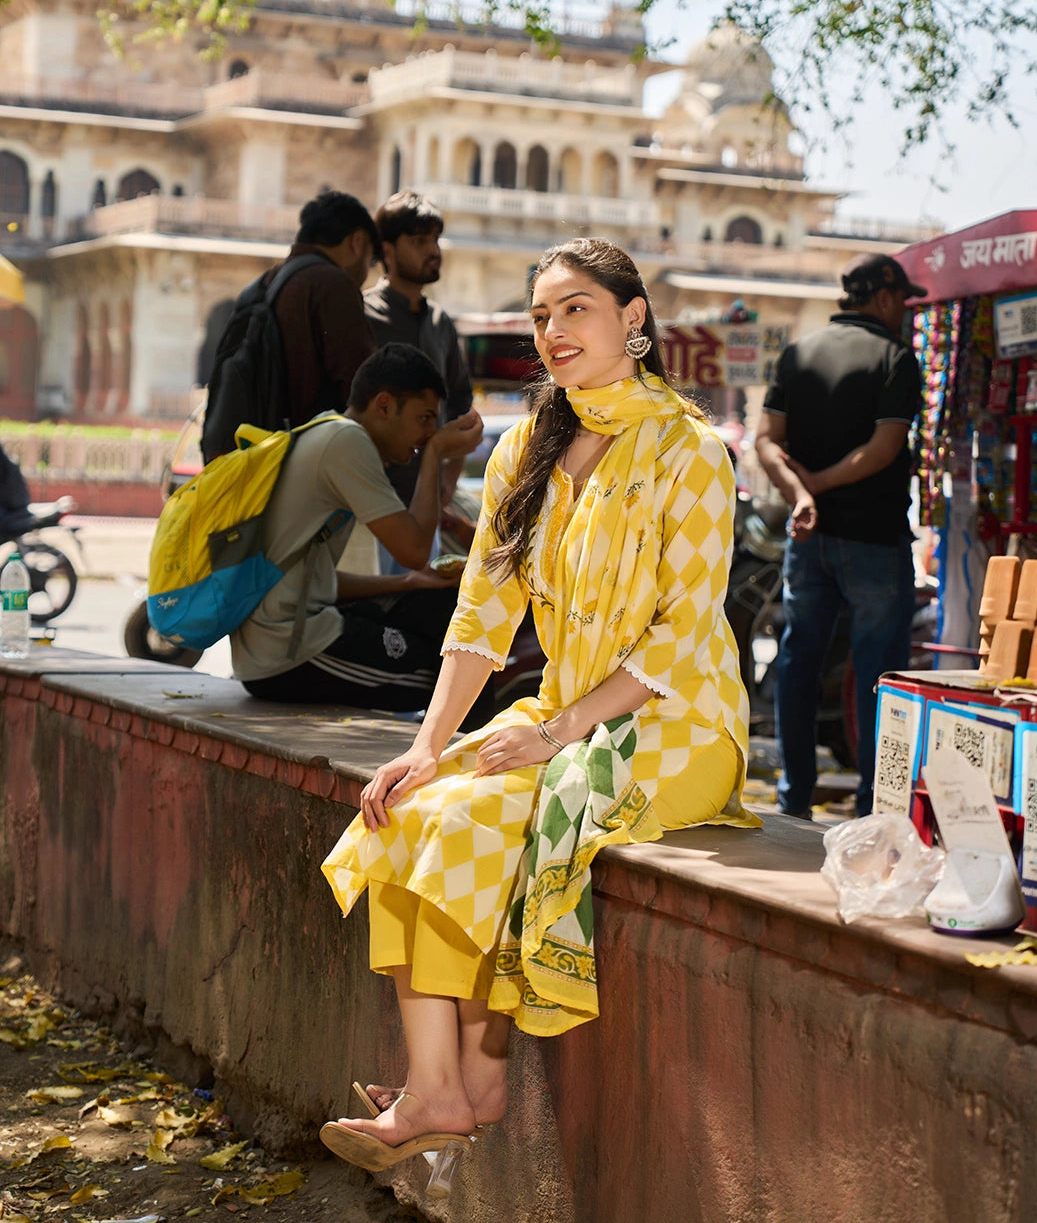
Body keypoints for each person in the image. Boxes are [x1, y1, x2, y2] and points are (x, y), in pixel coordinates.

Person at [318, 238, 759, 1188]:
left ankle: (467, 1082)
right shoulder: (527, 448)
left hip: (678, 723)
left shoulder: (692, 450)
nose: (554, 331)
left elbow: (678, 641)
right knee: (410, 810)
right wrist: (427, 745)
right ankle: (445, 1090)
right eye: (542, 316)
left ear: (633, 319)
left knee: (477, 819)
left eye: (576, 309)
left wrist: (555, 735)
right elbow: (482, 617)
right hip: (565, 709)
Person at [754, 253, 926, 819]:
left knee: (798, 661)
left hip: (809, 542)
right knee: (880, 676)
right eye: (903, 299)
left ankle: (793, 799)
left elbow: (765, 441)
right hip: (874, 541)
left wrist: (802, 495)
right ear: (883, 297)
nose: (905, 310)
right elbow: (884, 448)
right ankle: (875, 806)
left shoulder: (798, 351)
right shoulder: (896, 358)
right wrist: (822, 486)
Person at [232, 344, 481, 708]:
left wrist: (408, 583)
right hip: (289, 653)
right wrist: (435, 455)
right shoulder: (347, 442)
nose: (429, 432)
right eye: (425, 418)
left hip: (281, 641)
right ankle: (470, 763)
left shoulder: (326, 430)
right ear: (383, 405)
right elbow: (412, 551)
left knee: (439, 609)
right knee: (456, 682)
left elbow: (314, 579)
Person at [366, 191, 473, 509]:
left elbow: (461, 407)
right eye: (419, 241)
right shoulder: (361, 317)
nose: (433, 251)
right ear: (388, 250)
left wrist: (448, 480)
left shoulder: (440, 323)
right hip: (368, 506)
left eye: (435, 240)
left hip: (427, 505)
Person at [267, 190, 381, 427]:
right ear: (357, 243)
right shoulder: (334, 285)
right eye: (371, 261)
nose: (367, 271)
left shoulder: (271, 280)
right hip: (312, 449)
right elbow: (364, 390)